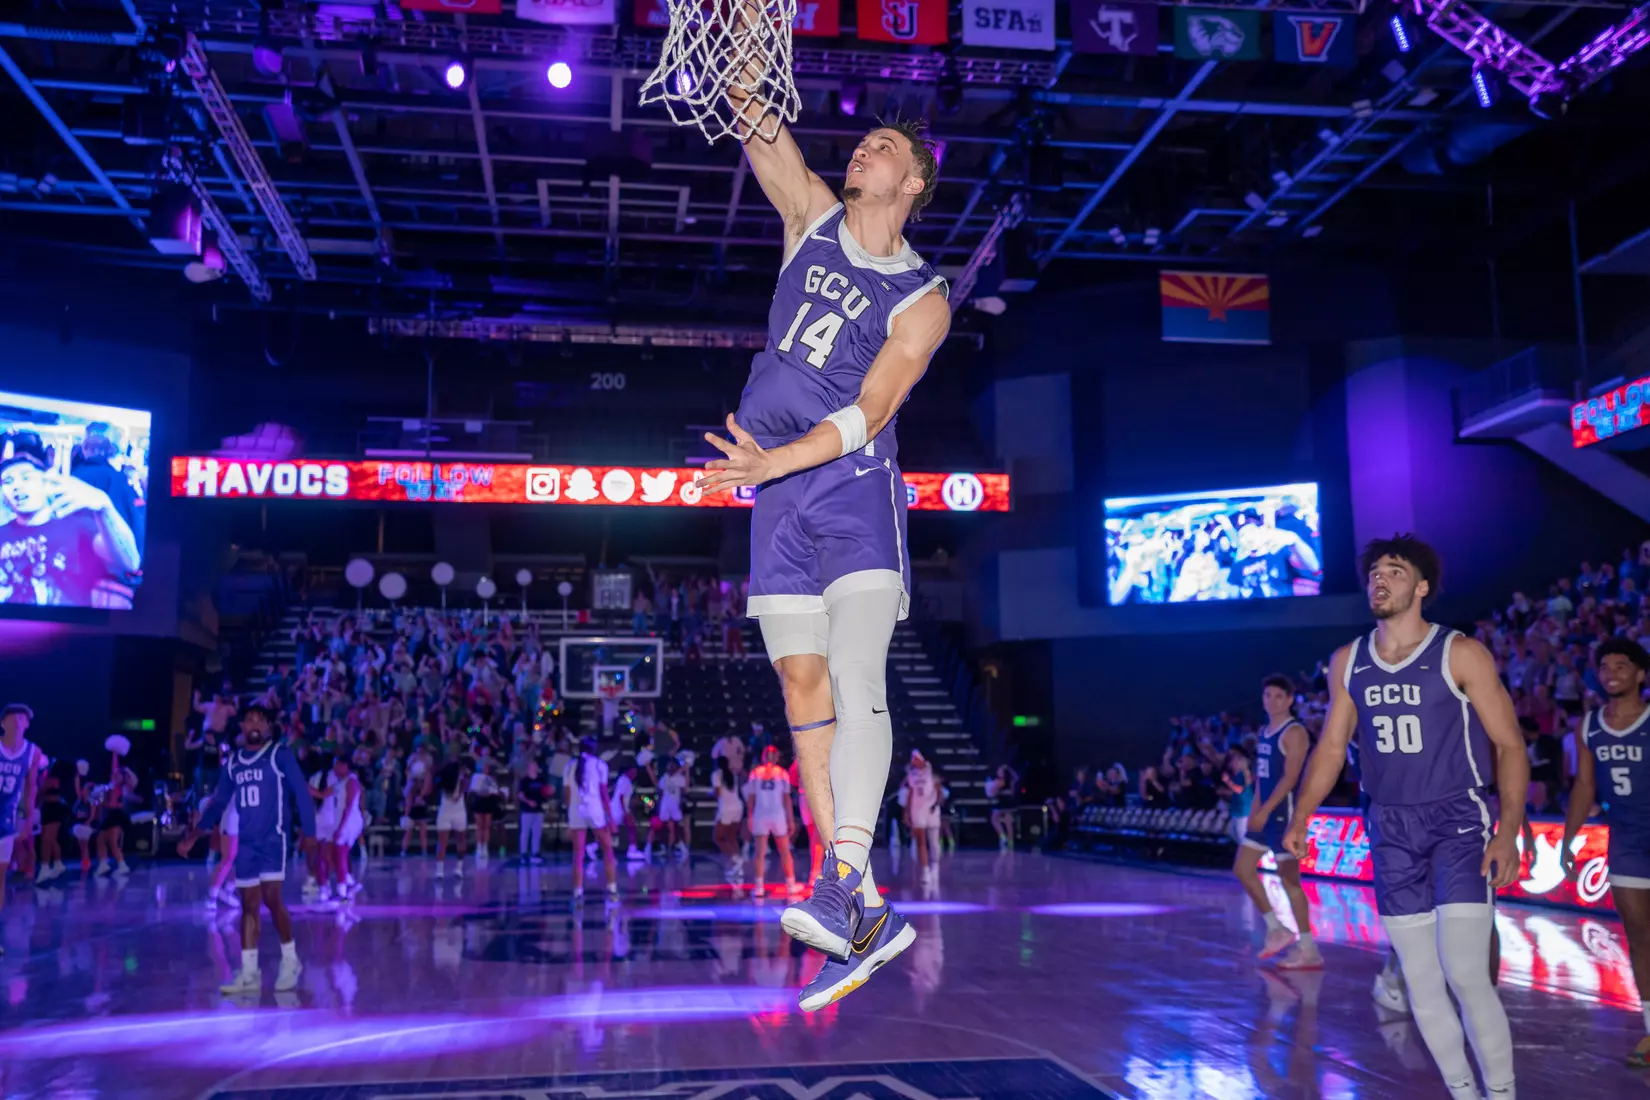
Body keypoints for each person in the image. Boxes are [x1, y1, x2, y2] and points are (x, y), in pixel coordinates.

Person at [693, 42, 948, 1011]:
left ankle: (839, 875)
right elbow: (757, 121)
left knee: (855, 672)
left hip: (850, 489)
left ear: (912, 181)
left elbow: (873, 409)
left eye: (884, 145)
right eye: (864, 142)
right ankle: (870, 911)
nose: (864, 150)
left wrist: (776, 461)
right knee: (801, 687)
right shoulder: (810, 218)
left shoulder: (923, 296)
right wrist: (742, 46)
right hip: (778, 497)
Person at [1284, 535, 1525, 1100]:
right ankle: (1465, 1094)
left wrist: (1509, 831)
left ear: (1421, 587)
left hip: (1457, 821)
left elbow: (1510, 745)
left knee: (1465, 974)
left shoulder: (1460, 652)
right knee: (1419, 980)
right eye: (1374, 573)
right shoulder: (1349, 660)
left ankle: (1505, 1094)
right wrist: (1302, 815)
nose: (1380, 580)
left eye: (1394, 571)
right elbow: (1331, 747)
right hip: (1389, 826)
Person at [180, 704, 317, 994]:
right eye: (249, 719)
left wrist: (310, 833)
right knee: (248, 905)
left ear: (268, 727)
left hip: (273, 839)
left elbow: (302, 793)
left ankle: (291, 960)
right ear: (241, 726)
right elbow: (218, 803)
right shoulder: (233, 763)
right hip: (247, 843)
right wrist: (194, 835)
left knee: (272, 899)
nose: (254, 724)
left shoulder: (279, 754)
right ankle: (250, 972)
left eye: (261, 720)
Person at [1562, 636, 1650, 1066]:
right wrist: (1569, 837)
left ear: (1640, 674)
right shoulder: (1589, 725)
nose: (1611, 672)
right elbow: (1584, 785)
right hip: (1628, 842)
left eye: (1621, 665)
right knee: (1638, 938)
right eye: (1605, 666)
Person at [1233, 675, 1321, 970]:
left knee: (1289, 881)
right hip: (1265, 812)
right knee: (1243, 869)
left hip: (1284, 812)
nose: (1271, 701)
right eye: (1267, 695)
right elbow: (1262, 777)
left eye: (1277, 696)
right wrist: (1255, 811)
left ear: (1290, 699)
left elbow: (1290, 777)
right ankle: (1277, 929)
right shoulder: (1264, 731)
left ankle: (1308, 948)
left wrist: (1267, 809)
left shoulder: (1294, 732)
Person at [0, 431, 141, 606]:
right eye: (8, 481)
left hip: (67, 628)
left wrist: (105, 508)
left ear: (46, 483)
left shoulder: (77, 525)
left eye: (26, 478)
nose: (17, 487)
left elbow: (129, 562)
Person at [0, 704, 38, 955]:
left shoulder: (33, 752)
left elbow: (31, 787)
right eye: (14, 717)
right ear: (3, 722)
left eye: (23, 718)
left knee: (0, 880)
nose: (19, 721)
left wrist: (26, 819)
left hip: (5, 821)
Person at [564, 737, 617, 901]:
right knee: (607, 850)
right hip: (595, 810)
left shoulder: (569, 766)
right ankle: (612, 890)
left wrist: (569, 815)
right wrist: (610, 817)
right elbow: (603, 794)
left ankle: (578, 893)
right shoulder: (600, 765)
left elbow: (566, 794)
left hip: (575, 811)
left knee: (578, 854)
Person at [745, 745, 797, 897]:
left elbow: (751, 799)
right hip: (777, 815)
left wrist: (749, 816)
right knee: (784, 851)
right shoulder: (781, 773)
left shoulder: (755, 773)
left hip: (761, 815)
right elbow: (786, 799)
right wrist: (791, 819)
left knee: (760, 853)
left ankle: (759, 886)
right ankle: (790, 884)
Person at [322, 754, 365, 903]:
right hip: (343, 820)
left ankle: (342, 891)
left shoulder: (352, 781)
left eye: (337, 765)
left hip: (349, 821)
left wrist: (340, 828)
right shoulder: (340, 782)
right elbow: (323, 794)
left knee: (340, 853)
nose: (334, 768)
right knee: (334, 854)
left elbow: (349, 806)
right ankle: (349, 882)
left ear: (344, 765)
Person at [902, 750, 942, 885]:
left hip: (931, 809)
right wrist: (906, 812)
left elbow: (939, 790)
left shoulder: (932, 771)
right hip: (917, 809)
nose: (913, 761)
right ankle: (925, 871)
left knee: (934, 843)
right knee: (921, 842)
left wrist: (937, 804)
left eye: (915, 758)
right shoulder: (911, 774)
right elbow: (910, 792)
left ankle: (935, 866)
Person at [432, 755, 470, 879]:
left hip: (459, 812)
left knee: (461, 839)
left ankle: (459, 868)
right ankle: (439, 871)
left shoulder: (463, 779)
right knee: (442, 842)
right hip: (445, 812)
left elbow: (463, 791)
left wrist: (463, 783)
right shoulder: (443, 780)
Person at [712, 756, 746, 881]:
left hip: (726, 808)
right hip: (738, 807)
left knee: (718, 837)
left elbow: (718, 793)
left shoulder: (716, 774)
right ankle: (738, 866)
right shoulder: (732, 773)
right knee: (731, 837)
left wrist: (711, 793)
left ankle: (735, 859)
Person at [655, 757, 689, 859]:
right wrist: (658, 806)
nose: (670, 767)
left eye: (673, 765)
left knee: (677, 827)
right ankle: (663, 847)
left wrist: (681, 804)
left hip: (675, 806)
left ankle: (681, 846)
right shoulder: (664, 778)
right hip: (664, 806)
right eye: (669, 765)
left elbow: (683, 793)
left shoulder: (680, 778)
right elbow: (659, 793)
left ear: (676, 766)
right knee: (663, 827)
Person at [517, 759, 549, 865]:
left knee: (537, 832)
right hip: (527, 810)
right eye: (532, 766)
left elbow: (545, 792)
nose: (533, 767)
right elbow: (520, 795)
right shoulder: (524, 780)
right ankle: (524, 853)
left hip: (539, 809)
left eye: (535, 765)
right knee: (525, 832)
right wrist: (528, 801)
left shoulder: (541, 779)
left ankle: (535, 852)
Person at [609, 759, 641, 861]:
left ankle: (632, 850)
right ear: (628, 771)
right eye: (634, 771)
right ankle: (632, 850)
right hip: (618, 809)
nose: (635, 773)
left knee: (631, 827)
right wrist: (625, 812)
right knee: (630, 827)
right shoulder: (624, 781)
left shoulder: (625, 780)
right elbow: (621, 797)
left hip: (619, 809)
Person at [984, 764, 1017, 850]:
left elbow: (993, 793)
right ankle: (1010, 842)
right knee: (1008, 822)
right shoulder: (1010, 780)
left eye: (1000, 771)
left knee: (994, 819)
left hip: (1003, 802)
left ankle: (1003, 837)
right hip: (1009, 802)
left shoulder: (1000, 781)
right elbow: (1012, 792)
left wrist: (993, 787)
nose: (998, 772)